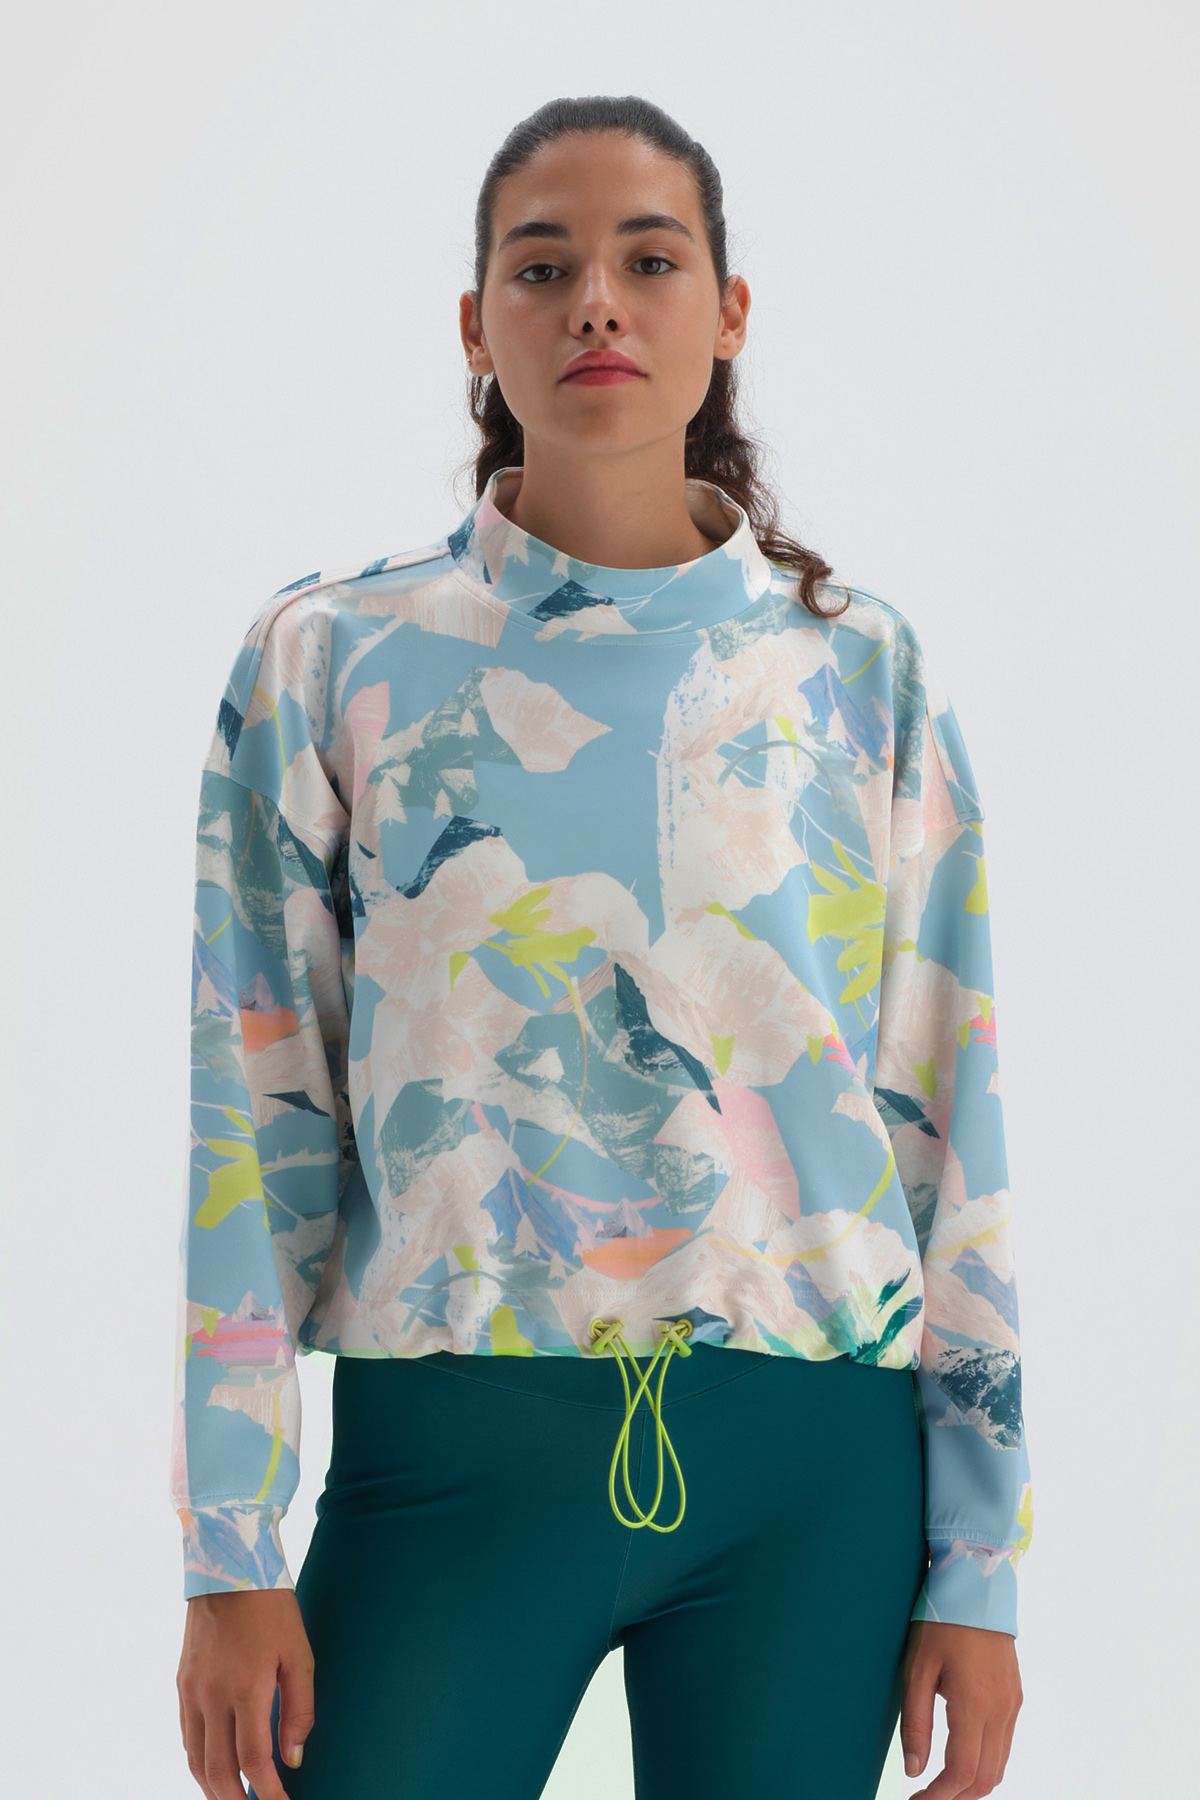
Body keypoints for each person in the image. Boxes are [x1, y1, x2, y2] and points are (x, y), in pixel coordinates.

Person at [172, 94, 1032, 1800]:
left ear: (728, 310)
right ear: (475, 323)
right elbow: (250, 1119)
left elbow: (950, 1116)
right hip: (451, 1467)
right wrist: (228, 1548)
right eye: (541, 265)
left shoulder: (861, 672)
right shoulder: (331, 661)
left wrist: (978, 1565)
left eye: (650, 261)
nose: (595, 305)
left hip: (814, 1483)